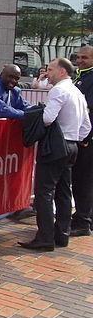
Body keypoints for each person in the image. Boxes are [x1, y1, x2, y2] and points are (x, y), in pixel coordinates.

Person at [18, 58, 90, 251]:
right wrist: (76, 139)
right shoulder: (76, 92)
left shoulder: (58, 90)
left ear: (63, 72)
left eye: (51, 69)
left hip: (56, 145)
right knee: (64, 192)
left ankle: (45, 238)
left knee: (44, 192)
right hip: (72, 144)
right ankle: (62, 235)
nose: (47, 73)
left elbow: (48, 118)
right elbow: (86, 125)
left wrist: (35, 119)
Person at [71, 45, 93, 236]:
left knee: (82, 180)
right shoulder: (82, 76)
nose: (80, 60)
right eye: (78, 57)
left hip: (87, 140)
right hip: (84, 137)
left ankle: (82, 221)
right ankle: (85, 217)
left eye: (84, 57)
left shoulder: (90, 78)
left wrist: (85, 136)